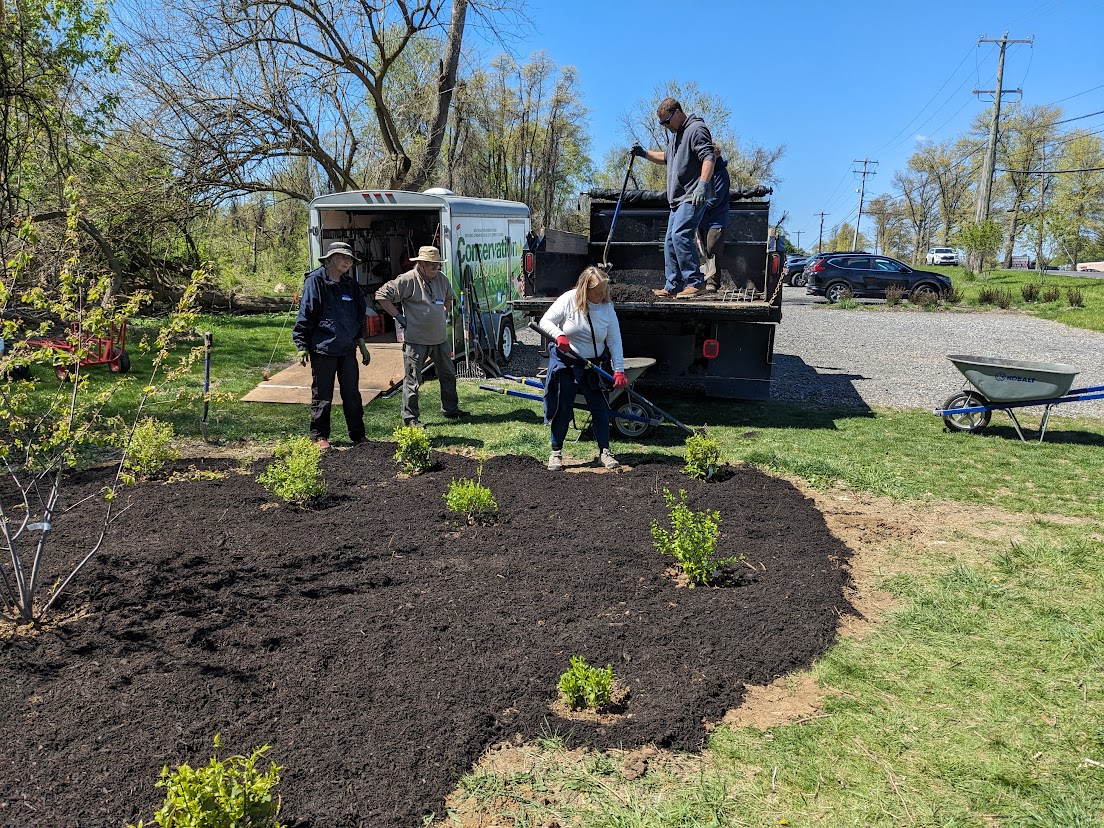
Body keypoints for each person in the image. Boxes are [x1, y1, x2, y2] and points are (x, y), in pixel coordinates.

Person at [539, 266, 628, 472]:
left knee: (600, 409)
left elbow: (614, 340)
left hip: (593, 366)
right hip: (567, 363)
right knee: (563, 406)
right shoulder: (568, 300)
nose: (602, 296)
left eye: (604, 291)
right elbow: (545, 321)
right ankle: (556, 453)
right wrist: (558, 335)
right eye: (597, 292)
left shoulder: (607, 307)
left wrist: (619, 370)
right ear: (585, 289)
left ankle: (604, 452)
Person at [631, 98, 715, 299]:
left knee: (680, 235)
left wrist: (702, 185)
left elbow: (708, 158)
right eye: (662, 124)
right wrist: (644, 153)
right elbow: (665, 158)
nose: (665, 126)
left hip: (692, 196)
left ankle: (695, 282)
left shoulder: (696, 129)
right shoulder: (676, 136)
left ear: (677, 112)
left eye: (666, 121)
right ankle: (673, 285)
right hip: (677, 200)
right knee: (669, 241)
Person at [376, 245, 468, 427]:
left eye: (437, 264)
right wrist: (399, 317)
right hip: (416, 340)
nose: (436, 268)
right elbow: (381, 295)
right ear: (421, 264)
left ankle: (451, 410)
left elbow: (449, 296)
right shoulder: (408, 279)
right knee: (412, 380)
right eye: (431, 265)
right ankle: (410, 418)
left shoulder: (441, 279)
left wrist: (445, 311)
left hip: (439, 339)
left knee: (448, 375)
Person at [292, 241, 372, 449]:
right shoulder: (315, 281)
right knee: (323, 394)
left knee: (352, 394)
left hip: (347, 349)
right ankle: (320, 436)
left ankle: (358, 436)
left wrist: (361, 343)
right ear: (330, 259)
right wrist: (302, 345)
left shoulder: (351, 285)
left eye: (350, 259)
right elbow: (306, 313)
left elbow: (358, 316)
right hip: (323, 348)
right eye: (343, 258)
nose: (347, 262)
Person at [698, 143, 730, 293]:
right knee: (702, 250)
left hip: (716, 218)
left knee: (712, 248)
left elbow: (715, 199)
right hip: (701, 218)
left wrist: (695, 206)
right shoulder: (701, 171)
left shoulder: (721, 173)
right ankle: (701, 280)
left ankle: (713, 282)